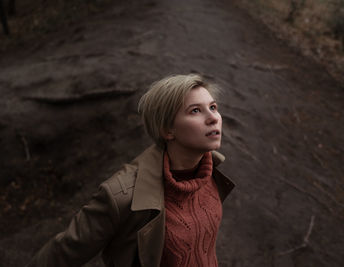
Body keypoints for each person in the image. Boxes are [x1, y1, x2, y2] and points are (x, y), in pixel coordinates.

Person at [27, 74, 235, 267]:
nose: (213, 118)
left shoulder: (208, 172)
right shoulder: (121, 195)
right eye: (195, 111)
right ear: (167, 130)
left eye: (213, 107)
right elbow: (62, 253)